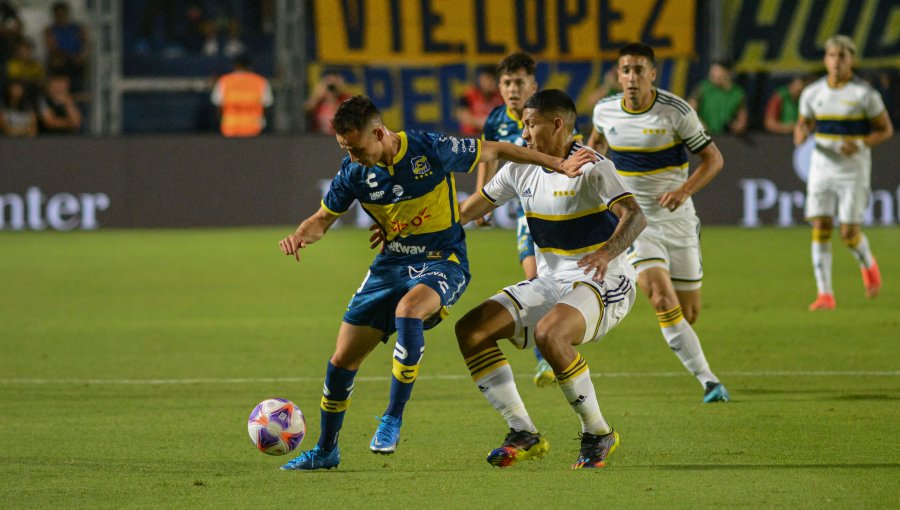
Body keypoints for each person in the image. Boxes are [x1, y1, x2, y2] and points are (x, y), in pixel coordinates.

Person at [277, 95, 593, 471]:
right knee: (341, 360)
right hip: (391, 264)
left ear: (379, 132)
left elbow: (496, 149)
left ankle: (392, 418)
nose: (353, 156)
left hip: (443, 260)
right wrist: (300, 234)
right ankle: (327, 450)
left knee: (409, 311)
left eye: (357, 147)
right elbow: (321, 219)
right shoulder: (353, 173)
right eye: (345, 148)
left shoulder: (429, 148)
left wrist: (559, 163)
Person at [455, 89, 646, 469]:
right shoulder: (520, 168)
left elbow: (636, 216)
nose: (524, 134)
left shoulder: (593, 166)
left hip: (606, 279)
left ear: (557, 125)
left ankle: (597, 433)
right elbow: (465, 212)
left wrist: (607, 253)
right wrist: (410, 231)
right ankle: (522, 431)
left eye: (530, 124)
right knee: (472, 330)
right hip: (553, 280)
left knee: (551, 333)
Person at [588, 42, 729, 403]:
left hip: (678, 218)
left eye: (639, 70)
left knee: (689, 312)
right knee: (662, 299)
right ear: (617, 76)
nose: (632, 77)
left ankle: (696, 361)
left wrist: (683, 190)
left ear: (652, 74)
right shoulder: (604, 111)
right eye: (625, 70)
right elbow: (594, 153)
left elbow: (713, 160)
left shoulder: (676, 111)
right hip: (635, 221)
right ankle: (709, 381)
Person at [477, 51, 582, 388]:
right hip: (527, 213)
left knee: (545, 279)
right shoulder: (495, 119)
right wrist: (483, 199)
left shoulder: (550, 114)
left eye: (518, 82)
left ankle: (557, 338)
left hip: (556, 208)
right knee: (535, 276)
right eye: (506, 82)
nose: (511, 88)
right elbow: (487, 156)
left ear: (532, 85)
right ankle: (546, 354)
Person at [794, 35, 894, 311]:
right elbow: (802, 124)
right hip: (822, 167)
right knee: (821, 226)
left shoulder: (864, 95)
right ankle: (825, 294)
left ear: (852, 60)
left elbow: (886, 130)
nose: (837, 61)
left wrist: (860, 143)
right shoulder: (812, 93)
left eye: (842, 56)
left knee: (849, 234)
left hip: (853, 168)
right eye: (832, 55)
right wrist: (800, 133)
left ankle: (868, 262)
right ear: (825, 59)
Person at [210, 54, 273, 137]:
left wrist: (221, 122)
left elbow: (217, 105)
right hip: (254, 129)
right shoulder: (261, 82)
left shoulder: (224, 81)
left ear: (235, 65)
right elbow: (267, 106)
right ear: (250, 66)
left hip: (230, 129)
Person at [688, 60, 747, 135]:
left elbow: (742, 119)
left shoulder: (738, 93)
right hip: (701, 135)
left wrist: (736, 127)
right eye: (711, 71)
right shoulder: (703, 88)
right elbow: (689, 110)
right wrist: (700, 125)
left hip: (725, 137)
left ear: (727, 73)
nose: (711, 73)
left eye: (716, 71)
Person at [43, 1, 88, 94]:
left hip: (75, 61)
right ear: (54, 15)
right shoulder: (50, 30)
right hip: (61, 60)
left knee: (80, 63)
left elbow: (85, 44)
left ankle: (77, 93)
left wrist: (82, 55)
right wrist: (70, 56)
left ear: (67, 14)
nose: (61, 17)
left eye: (63, 14)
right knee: (57, 61)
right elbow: (52, 47)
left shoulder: (78, 29)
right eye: (58, 14)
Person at [456, 64, 502, 136]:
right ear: (480, 79)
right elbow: (464, 117)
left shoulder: (501, 96)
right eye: (487, 78)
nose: (490, 82)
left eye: (493, 79)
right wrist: (485, 123)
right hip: (470, 138)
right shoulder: (469, 95)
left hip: (494, 138)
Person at [304, 69, 352, 135]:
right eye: (329, 85)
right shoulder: (319, 100)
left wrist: (334, 99)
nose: (332, 88)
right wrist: (317, 94)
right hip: (318, 139)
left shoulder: (345, 99)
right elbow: (306, 110)